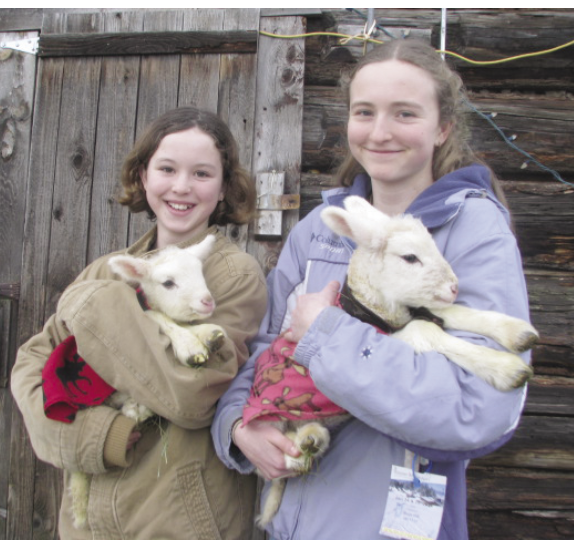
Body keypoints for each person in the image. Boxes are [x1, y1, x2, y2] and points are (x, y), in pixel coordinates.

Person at [210, 39, 530, 539]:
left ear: (442, 127)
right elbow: (262, 351)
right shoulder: (320, 228)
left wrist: (325, 334)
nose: (380, 132)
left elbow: (482, 408)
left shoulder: (473, 231)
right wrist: (239, 426)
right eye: (365, 112)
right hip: (295, 527)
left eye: (404, 113)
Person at [8, 107, 267, 539]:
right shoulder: (107, 270)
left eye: (202, 174)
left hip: (177, 522)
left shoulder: (232, 277)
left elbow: (193, 392)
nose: (181, 187)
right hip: (86, 524)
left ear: (224, 188)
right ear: (143, 176)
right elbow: (32, 364)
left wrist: (96, 306)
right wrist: (98, 434)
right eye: (167, 169)